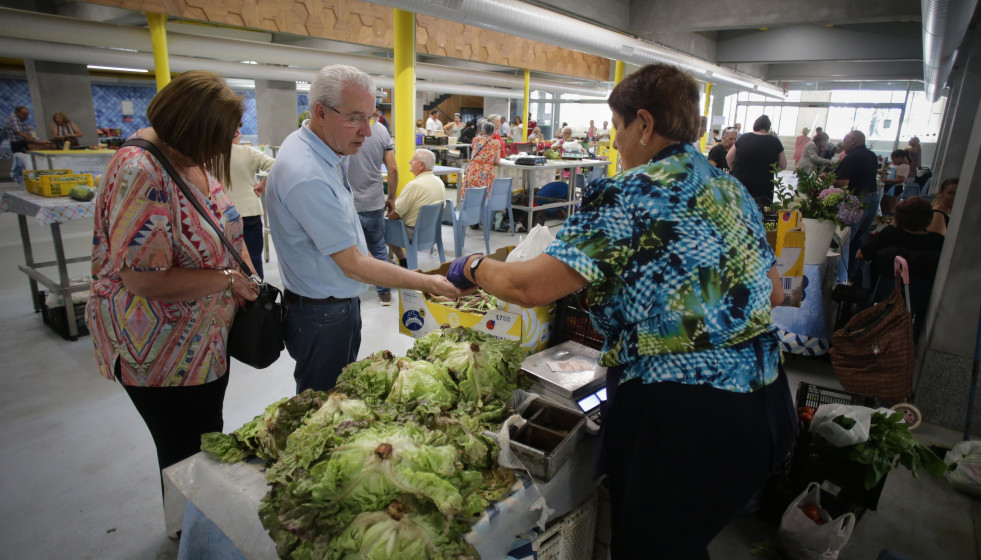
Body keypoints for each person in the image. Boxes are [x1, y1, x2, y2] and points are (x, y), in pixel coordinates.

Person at [444, 63, 794, 560]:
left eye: (617, 127)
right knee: (683, 541)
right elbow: (775, 293)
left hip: (686, 419)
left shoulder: (630, 192)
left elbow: (528, 287)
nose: (616, 142)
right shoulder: (729, 187)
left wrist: (473, 265)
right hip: (765, 407)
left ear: (645, 125)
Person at [85, 70, 258, 503]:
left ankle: (200, 521)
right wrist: (226, 280)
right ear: (190, 128)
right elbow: (143, 278)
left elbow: (226, 230)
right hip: (160, 350)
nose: (224, 146)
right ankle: (189, 534)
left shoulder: (186, 157)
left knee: (204, 438)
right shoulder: (141, 171)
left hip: (202, 343)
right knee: (184, 451)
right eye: (219, 136)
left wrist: (243, 276)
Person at [265, 64, 465, 394]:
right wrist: (424, 280)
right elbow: (355, 264)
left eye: (370, 117)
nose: (367, 131)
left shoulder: (317, 148)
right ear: (320, 112)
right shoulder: (308, 174)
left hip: (332, 305)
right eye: (355, 118)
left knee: (339, 395)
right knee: (324, 407)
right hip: (322, 315)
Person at [857, 196, 944, 341]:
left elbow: (861, 255)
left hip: (886, 293)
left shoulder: (890, 233)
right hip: (922, 298)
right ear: (928, 218)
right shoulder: (938, 241)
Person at [347, 117, 399, 305]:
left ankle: (348, 294)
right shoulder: (381, 131)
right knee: (378, 249)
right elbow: (392, 169)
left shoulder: (343, 129)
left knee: (347, 250)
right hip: (374, 202)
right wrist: (391, 197)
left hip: (348, 204)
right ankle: (384, 292)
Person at [227, 128, 276, 278]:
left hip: (223, 213)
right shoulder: (248, 152)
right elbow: (278, 165)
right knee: (254, 258)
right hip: (250, 210)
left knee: (228, 260)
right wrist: (263, 184)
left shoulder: (208, 154)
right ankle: (258, 293)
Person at [834, 130, 880, 278]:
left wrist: (827, 179)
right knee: (861, 238)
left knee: (845, 238)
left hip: (855, 201)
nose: (843, 144)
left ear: (853, 140)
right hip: (871, 198)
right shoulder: (871, 156)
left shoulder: (852, 157)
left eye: (845, 140)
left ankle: (840, 275)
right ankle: (853, 274)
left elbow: (843, 183)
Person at [386, 149, 446, 264]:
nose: (409, 161)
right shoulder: (439, 182)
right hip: (431, 233)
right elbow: (442, 210)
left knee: (377, 229)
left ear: (421, 165)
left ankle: (388, 265)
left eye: (413, 159)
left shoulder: (414, 185)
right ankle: (403, 261)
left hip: (412, 234)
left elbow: (394, 215)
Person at [727, 114, 786, 207]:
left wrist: (736, 171)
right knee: (761, 214)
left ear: (755, 126)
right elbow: (783, 164)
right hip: (764, 187)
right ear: (768, 128)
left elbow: (729, 158)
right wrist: (768, 171)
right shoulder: (775, 141)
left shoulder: (744, 138)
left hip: (741, 184)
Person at [461, 122, 501, 196]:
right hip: (487, 172)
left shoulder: (475, 140)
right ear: (493, 131)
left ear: (482, 130)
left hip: (474, 169)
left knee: (471, 193)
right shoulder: (496, 143)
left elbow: (474, 153)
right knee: (484, 195)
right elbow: (497, 161)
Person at [879, 149, 911, 216]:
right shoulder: (899, 165)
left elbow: (901, 180)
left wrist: (886, 180)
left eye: (894, 159)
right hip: (891, 187)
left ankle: (892, 219)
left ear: (900, 158)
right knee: (884, 205)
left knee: (890, 207)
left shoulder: (904, 166)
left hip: (895, 188)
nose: (893, 161)